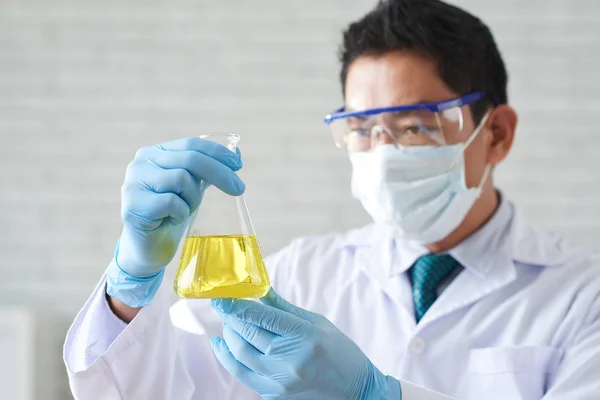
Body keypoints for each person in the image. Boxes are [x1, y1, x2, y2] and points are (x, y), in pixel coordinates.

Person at [63, 0, 600, 399]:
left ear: (497, 134)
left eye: (414, 126)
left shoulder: (584, 296)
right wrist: (130, 283)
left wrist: (379, 395)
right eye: (361, 128)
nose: (382, 152)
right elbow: (158, 390)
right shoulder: (300, 273)